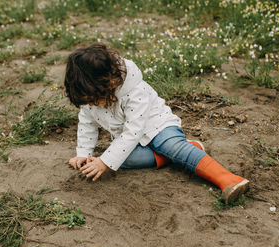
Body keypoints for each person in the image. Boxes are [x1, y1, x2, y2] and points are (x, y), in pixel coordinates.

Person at [64, 43, 249, 204]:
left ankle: (228, 179)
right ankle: (187, 149)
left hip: (159, 126)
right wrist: (83, 153)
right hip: (131, 140)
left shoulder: (133, 91)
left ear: (109, 83)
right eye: (86, 102)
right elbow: (87, 123)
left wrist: (104, 162)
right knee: (120, 159)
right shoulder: (90, 96)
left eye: (93, 100)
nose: (91, 105)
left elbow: (133, 131)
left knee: (168, 144)